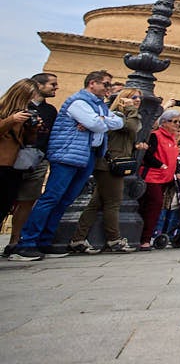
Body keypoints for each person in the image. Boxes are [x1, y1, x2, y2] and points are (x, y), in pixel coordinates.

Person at [10, 71, 124, 261]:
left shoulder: (98, 106)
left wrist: (99, 121)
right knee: (52, 198)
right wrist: (98, 121)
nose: (108, 89)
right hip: (67, 155)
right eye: (105, 84)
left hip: (87, 155)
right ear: (92, 84)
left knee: (65, 200)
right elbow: (95, 124)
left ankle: (45, 242)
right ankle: (26, 243)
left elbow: (119, 122)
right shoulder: (78, 102)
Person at [68, 87, 142, 254]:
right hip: (111, 163)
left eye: (139, 98)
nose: (137, 100)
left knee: (96, 203)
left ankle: (78, 239)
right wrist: (130, 108)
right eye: (134, 97)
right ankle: (114, 239)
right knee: (113, 203)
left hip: (111, 162)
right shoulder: (116, 115)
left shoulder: (119, 115)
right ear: (123, 99)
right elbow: (133, 127)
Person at [7, 73, 60, 255]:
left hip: (38, 159)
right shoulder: (14, 107)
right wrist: (13, 120)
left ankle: (15, 241)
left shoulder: (50, 111)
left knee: (27, 201)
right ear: (37, 85)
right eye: (52, 84)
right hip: (11, 159)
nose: (56, 88)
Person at [138, 109, 180, 250]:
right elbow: (148, 155)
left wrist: (176, 171)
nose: (177, 124)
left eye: (178, 122)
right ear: (164, 122)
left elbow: (172, 159)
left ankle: (145, 237)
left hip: (164, 179)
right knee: (153, 207)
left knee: (154, 208)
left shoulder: (172, 139)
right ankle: (144, 239)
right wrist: (161, 165)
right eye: (174, 121)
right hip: (152, 177)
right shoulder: (155, 136)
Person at [1, 80, 41, 232]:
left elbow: (28, 142)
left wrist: (33, 129)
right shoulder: (3, 111)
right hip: (2, 164)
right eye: (28, 97)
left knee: (5, 207)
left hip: (13, 166)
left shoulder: (24, 113)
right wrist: (11, 120)